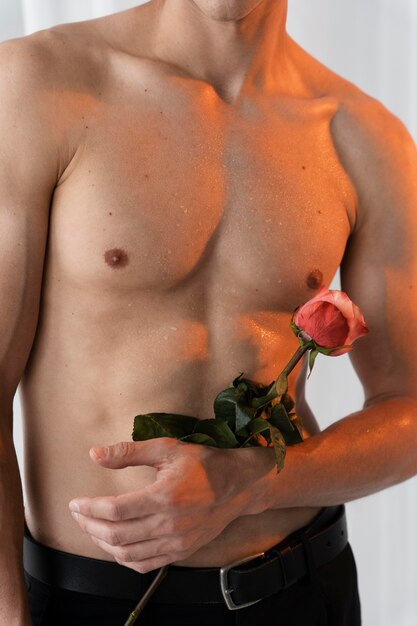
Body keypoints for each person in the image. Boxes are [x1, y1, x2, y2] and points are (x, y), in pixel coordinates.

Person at [1, 0, 417, 624]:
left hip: (300, 586)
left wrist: (254, 483)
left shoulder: (364, 136)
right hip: (88, 600)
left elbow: (408, 405)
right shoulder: (37, 82)